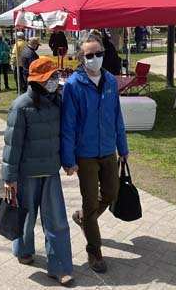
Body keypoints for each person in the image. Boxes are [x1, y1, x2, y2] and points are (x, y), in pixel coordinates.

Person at [2, 57, 74, 286]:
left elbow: (63, 134)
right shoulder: (21, 106)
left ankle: (59, 266)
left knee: (57, 222)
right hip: (26, 175)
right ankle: (24, 250)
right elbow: (12, 145)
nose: (55, 81)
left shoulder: (57, 102)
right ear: (38, 81)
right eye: (51, 77)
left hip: (50, 172)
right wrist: (9, 178)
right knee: (27, 218)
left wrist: (68, 161)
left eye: (56, 76)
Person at [61, 32, 129, 273]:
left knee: (111, 193)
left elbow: (116, 116)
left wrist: (123, 147)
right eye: (90, 55)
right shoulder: (72, 86)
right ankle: (94, 250)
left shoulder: (110, 81)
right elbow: (67, 124)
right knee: (91, 202)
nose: (95, 58)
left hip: (108, 150)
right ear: (82, 57)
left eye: (99, 54)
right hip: (85, 155)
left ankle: (83, 218)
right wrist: (68, 160)